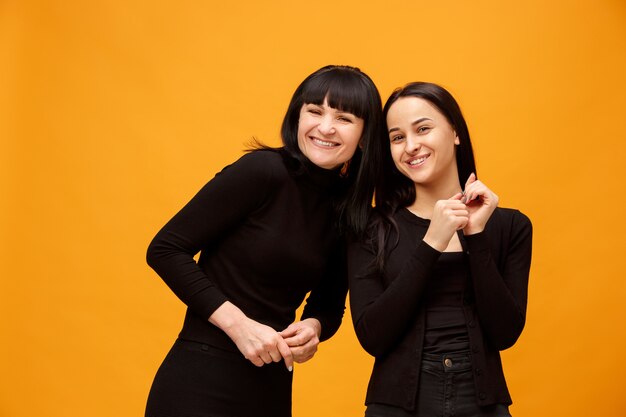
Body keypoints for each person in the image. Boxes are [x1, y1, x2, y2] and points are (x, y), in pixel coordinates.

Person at [145, 65, 383, 417]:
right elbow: (165, 249)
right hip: (201, 378)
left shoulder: (349, 207)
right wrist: (239, 326)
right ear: (297, 117)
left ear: (364, 135)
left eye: (344, 118)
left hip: (271, 384)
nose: (326, 127)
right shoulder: (262, 171)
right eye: (315, 111)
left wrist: (313, 328)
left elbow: (329, 302)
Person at [348, 82, 532, 417]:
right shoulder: (370, 229)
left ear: (456, 132)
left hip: (483, 405)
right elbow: (372, 336)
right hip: (396, 407)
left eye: (423, 129)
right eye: (397, 137)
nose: (411, 146)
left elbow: (505, 332)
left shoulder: (511, 226)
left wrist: (475, 236)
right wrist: (432, 240)